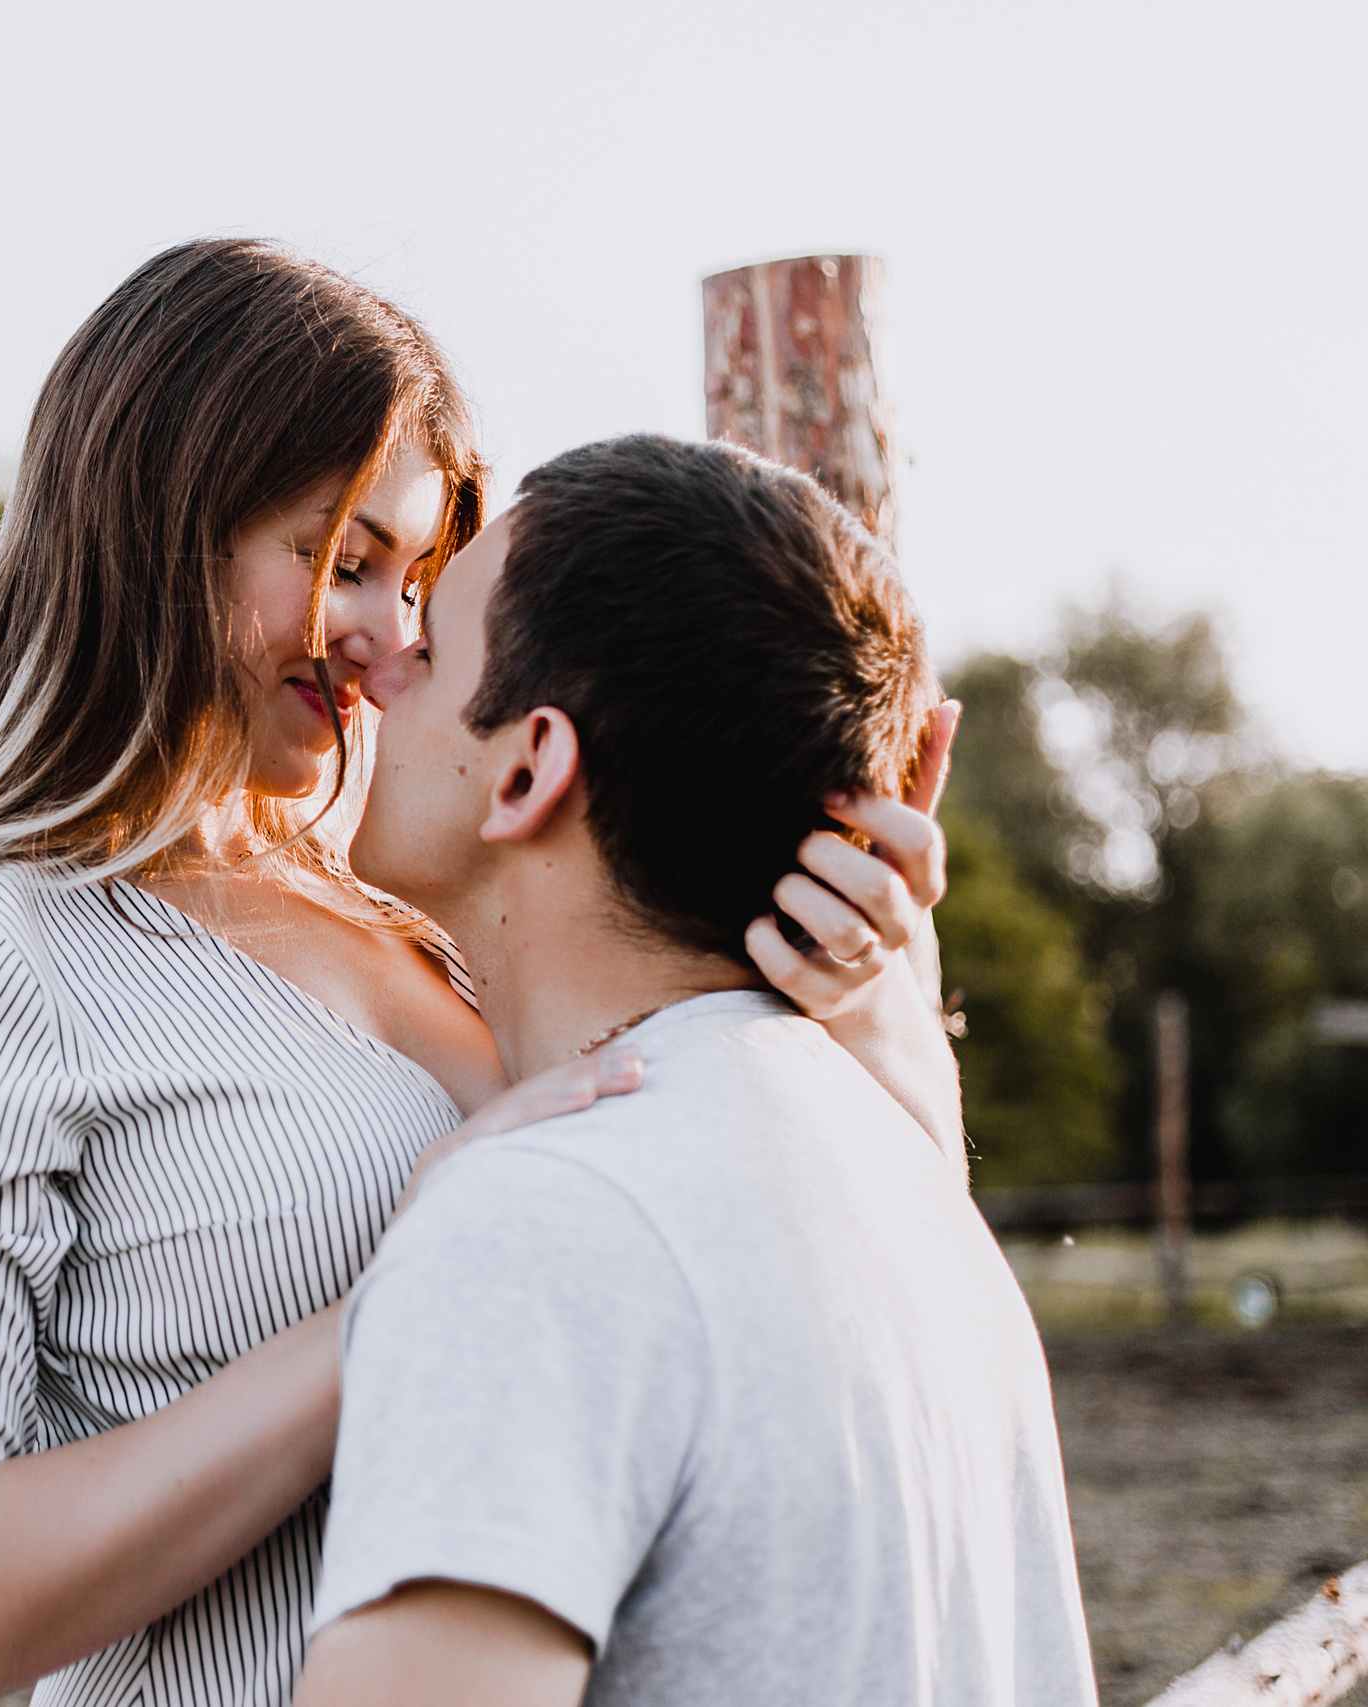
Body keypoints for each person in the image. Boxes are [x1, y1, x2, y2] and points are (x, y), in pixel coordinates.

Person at [0, 240, 963, 1707]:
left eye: (420, 580)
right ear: (162, 523)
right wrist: (396, 1299)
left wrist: (873, 1000)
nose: (391, 639)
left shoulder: (442, 904)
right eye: (343, 560)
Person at [294, 435, 1094, 1707]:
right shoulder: (915, 1200)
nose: (374, 662)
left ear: (529, 767)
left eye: (432, 647)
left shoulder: (540, 1225)